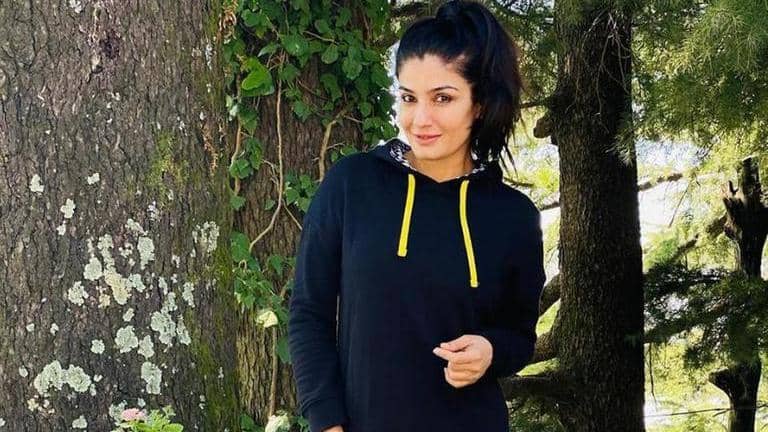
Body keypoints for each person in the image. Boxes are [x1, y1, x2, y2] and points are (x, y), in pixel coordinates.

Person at [287, 1, 546, 431]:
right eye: (409, 98)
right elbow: (309, 312)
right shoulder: (352, 184)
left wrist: (489, 351)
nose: (419, 119)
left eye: (442, 98)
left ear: (480, 103)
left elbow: (519, 337)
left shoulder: (514, 217)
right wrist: (326, 422)